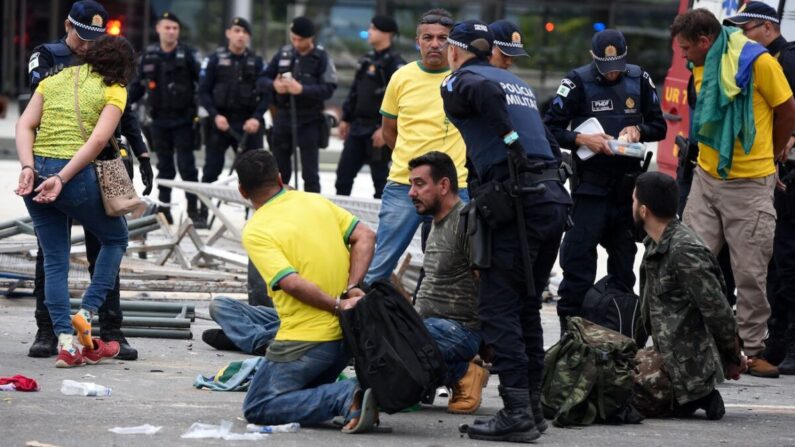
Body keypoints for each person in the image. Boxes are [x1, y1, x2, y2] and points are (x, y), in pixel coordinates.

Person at [441, 20, 571, 443]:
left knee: (498, 307)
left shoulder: (462, 79)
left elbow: (482, 97)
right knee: (526, 305)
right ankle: (531, 408)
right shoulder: (516, 83)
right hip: (549, 197)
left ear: (456, 50)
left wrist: (509, 138)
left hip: (519, 203)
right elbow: (548, 140)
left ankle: (516, 411)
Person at [671, 8, 795, 378]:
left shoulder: (758, 62)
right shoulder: (702, 62)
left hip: (750, 182)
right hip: (707, 176)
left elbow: (787, 107)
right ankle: (692, 339)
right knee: (690, 260)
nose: (682, 55)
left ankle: (751, 350)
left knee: (750, 272)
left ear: (705, 42)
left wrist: (772, 155)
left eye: (686, 48)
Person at [25, 0, 149, 361]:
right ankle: (49, 330)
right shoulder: (47, 58)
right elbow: (38, 108)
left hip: (89, 168)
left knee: (96, 249)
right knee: (61, 253)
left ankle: (107, 329)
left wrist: (141, 153)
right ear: (67, 25)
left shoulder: (104, 67)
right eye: (83, 36)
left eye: (96, 38)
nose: (88, 45)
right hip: (66, 167)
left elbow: (123, 118)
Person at [235, 150, 380, 433]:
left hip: (305, 341)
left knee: (258, 405)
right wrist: (351, 289)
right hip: (346, 337)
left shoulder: (256, 229)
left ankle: (345, 395)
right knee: (296, 394)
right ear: (280, 178)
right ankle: (349, 398)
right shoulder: (316, 201)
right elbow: (366, 235)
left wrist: (338, 305)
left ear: (242, 191)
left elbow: (291, 283)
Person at [544, 29, 666, 331]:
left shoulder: (639, 79)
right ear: (593, 59)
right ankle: (570, 335)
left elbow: (659, 125)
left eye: (617, 68)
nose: (612, 74)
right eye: (605, 68)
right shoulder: (576, 81)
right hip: (590, 188)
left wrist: (639, 130)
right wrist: (581, 139)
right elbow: (549, 128)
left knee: (624, 265)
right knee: (578, 261)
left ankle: (619, 333)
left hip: (627, 190)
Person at [365, 8, 468, 284]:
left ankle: (443, 324)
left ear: (453, 43)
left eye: (443, 38)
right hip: (403, 184)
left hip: (454, 187)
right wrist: (414, 167)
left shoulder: (465, 79)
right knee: (380, 266)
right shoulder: (401, 77)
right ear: (417, 41)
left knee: (454, 267)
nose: (435, 44)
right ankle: (362, 319)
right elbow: (389, 131)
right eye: (428, 37)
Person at [632, 172, 746, 420]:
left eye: (633, 201)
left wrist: (734, 358)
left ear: (643, 211)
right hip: (667, 358)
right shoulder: (656, 244)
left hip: (687, 369)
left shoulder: (684, 250)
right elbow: (648, 310)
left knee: (612, 398)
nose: (631, 206)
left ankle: (701, 395)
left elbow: (718, 311)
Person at [724, 1, 795, 374]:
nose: (741, 36)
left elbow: (788, 113)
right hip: (771, 174)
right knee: (774, 262)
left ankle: (787, 344)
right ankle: (774, 345)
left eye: (746, 28)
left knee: (786, 262)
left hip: (784, 174)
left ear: (767, 28)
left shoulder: (784, 61)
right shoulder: (755, 60)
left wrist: (776, 158)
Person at [408, 151, 487, 414]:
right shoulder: (431, 225)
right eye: (411, 185)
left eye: (419, 184)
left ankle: (464, 373)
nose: (411, 192)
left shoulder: (468, 220)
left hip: (460, 330)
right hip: (428, 326)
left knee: (396, 347)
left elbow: (488, 285)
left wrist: (493, 343)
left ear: (443, 185)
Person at [129, 11, 201, 224]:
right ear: (159, 28)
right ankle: (164, 210)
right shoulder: (149, 56)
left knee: (187, 167)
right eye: (167, 27)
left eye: (175, 28)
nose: (171, 32)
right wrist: (121, 105)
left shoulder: (188, 54)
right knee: (164, 167)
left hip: (184, 121)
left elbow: (203, 85)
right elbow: (137, 88)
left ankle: (193, 210)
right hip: (159, 121)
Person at [198, 17, 267, 226]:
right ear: (228, 33)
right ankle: (203, 214)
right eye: (236, 30)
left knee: (255, 172)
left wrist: (256, 117)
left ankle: (257, 218)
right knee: (211, 170)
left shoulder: (257, 62)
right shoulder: (214, 59)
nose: (240, 35)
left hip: (249, 125)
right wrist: (214, 115)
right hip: (220, 123)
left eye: (245, 32)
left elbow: (267, 95)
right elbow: (203, 92)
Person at [257, 16, 337, 193]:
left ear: (310, 38)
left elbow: (329, 88)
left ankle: (310, 215)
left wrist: (301, 89)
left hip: (310, 120)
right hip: (283, 118)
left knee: (310, 175)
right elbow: (261, 79)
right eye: (293, 38)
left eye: (300, 39)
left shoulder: (321, 57)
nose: (296, 43)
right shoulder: (283, 53)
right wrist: (274, 86)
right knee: (279, 173)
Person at [335, 16, 404, 199]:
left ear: (387, 33)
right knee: (343, 177)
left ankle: (382, 225)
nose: (369, 31)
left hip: (378, 131)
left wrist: (386, 129)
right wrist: (346, 118)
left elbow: (400, 100)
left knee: (381, 183)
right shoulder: (367, 59)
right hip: (357, 128)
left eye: (374, 28)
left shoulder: (395, 63)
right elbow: (355, 90)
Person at [202, 297, 279, 356]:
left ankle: (246, 340)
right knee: (219, 303)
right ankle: (258, 341)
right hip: (281, 316)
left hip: (288, 326)